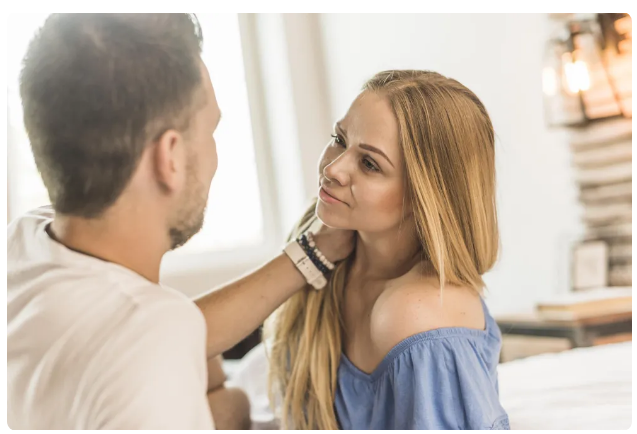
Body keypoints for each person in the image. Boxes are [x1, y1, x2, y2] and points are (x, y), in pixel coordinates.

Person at [7, 13, 354, 429]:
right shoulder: (152, 341)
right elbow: (147, 338)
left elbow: (135, 332)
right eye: (210, 131)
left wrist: (312, 252)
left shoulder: (25, 241)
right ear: (169, 156)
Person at [265, 70, 511, 430]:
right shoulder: (324, 248)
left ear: (426, 195)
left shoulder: (419, 315)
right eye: (339, 139)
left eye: (369, 164)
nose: (333, 168)